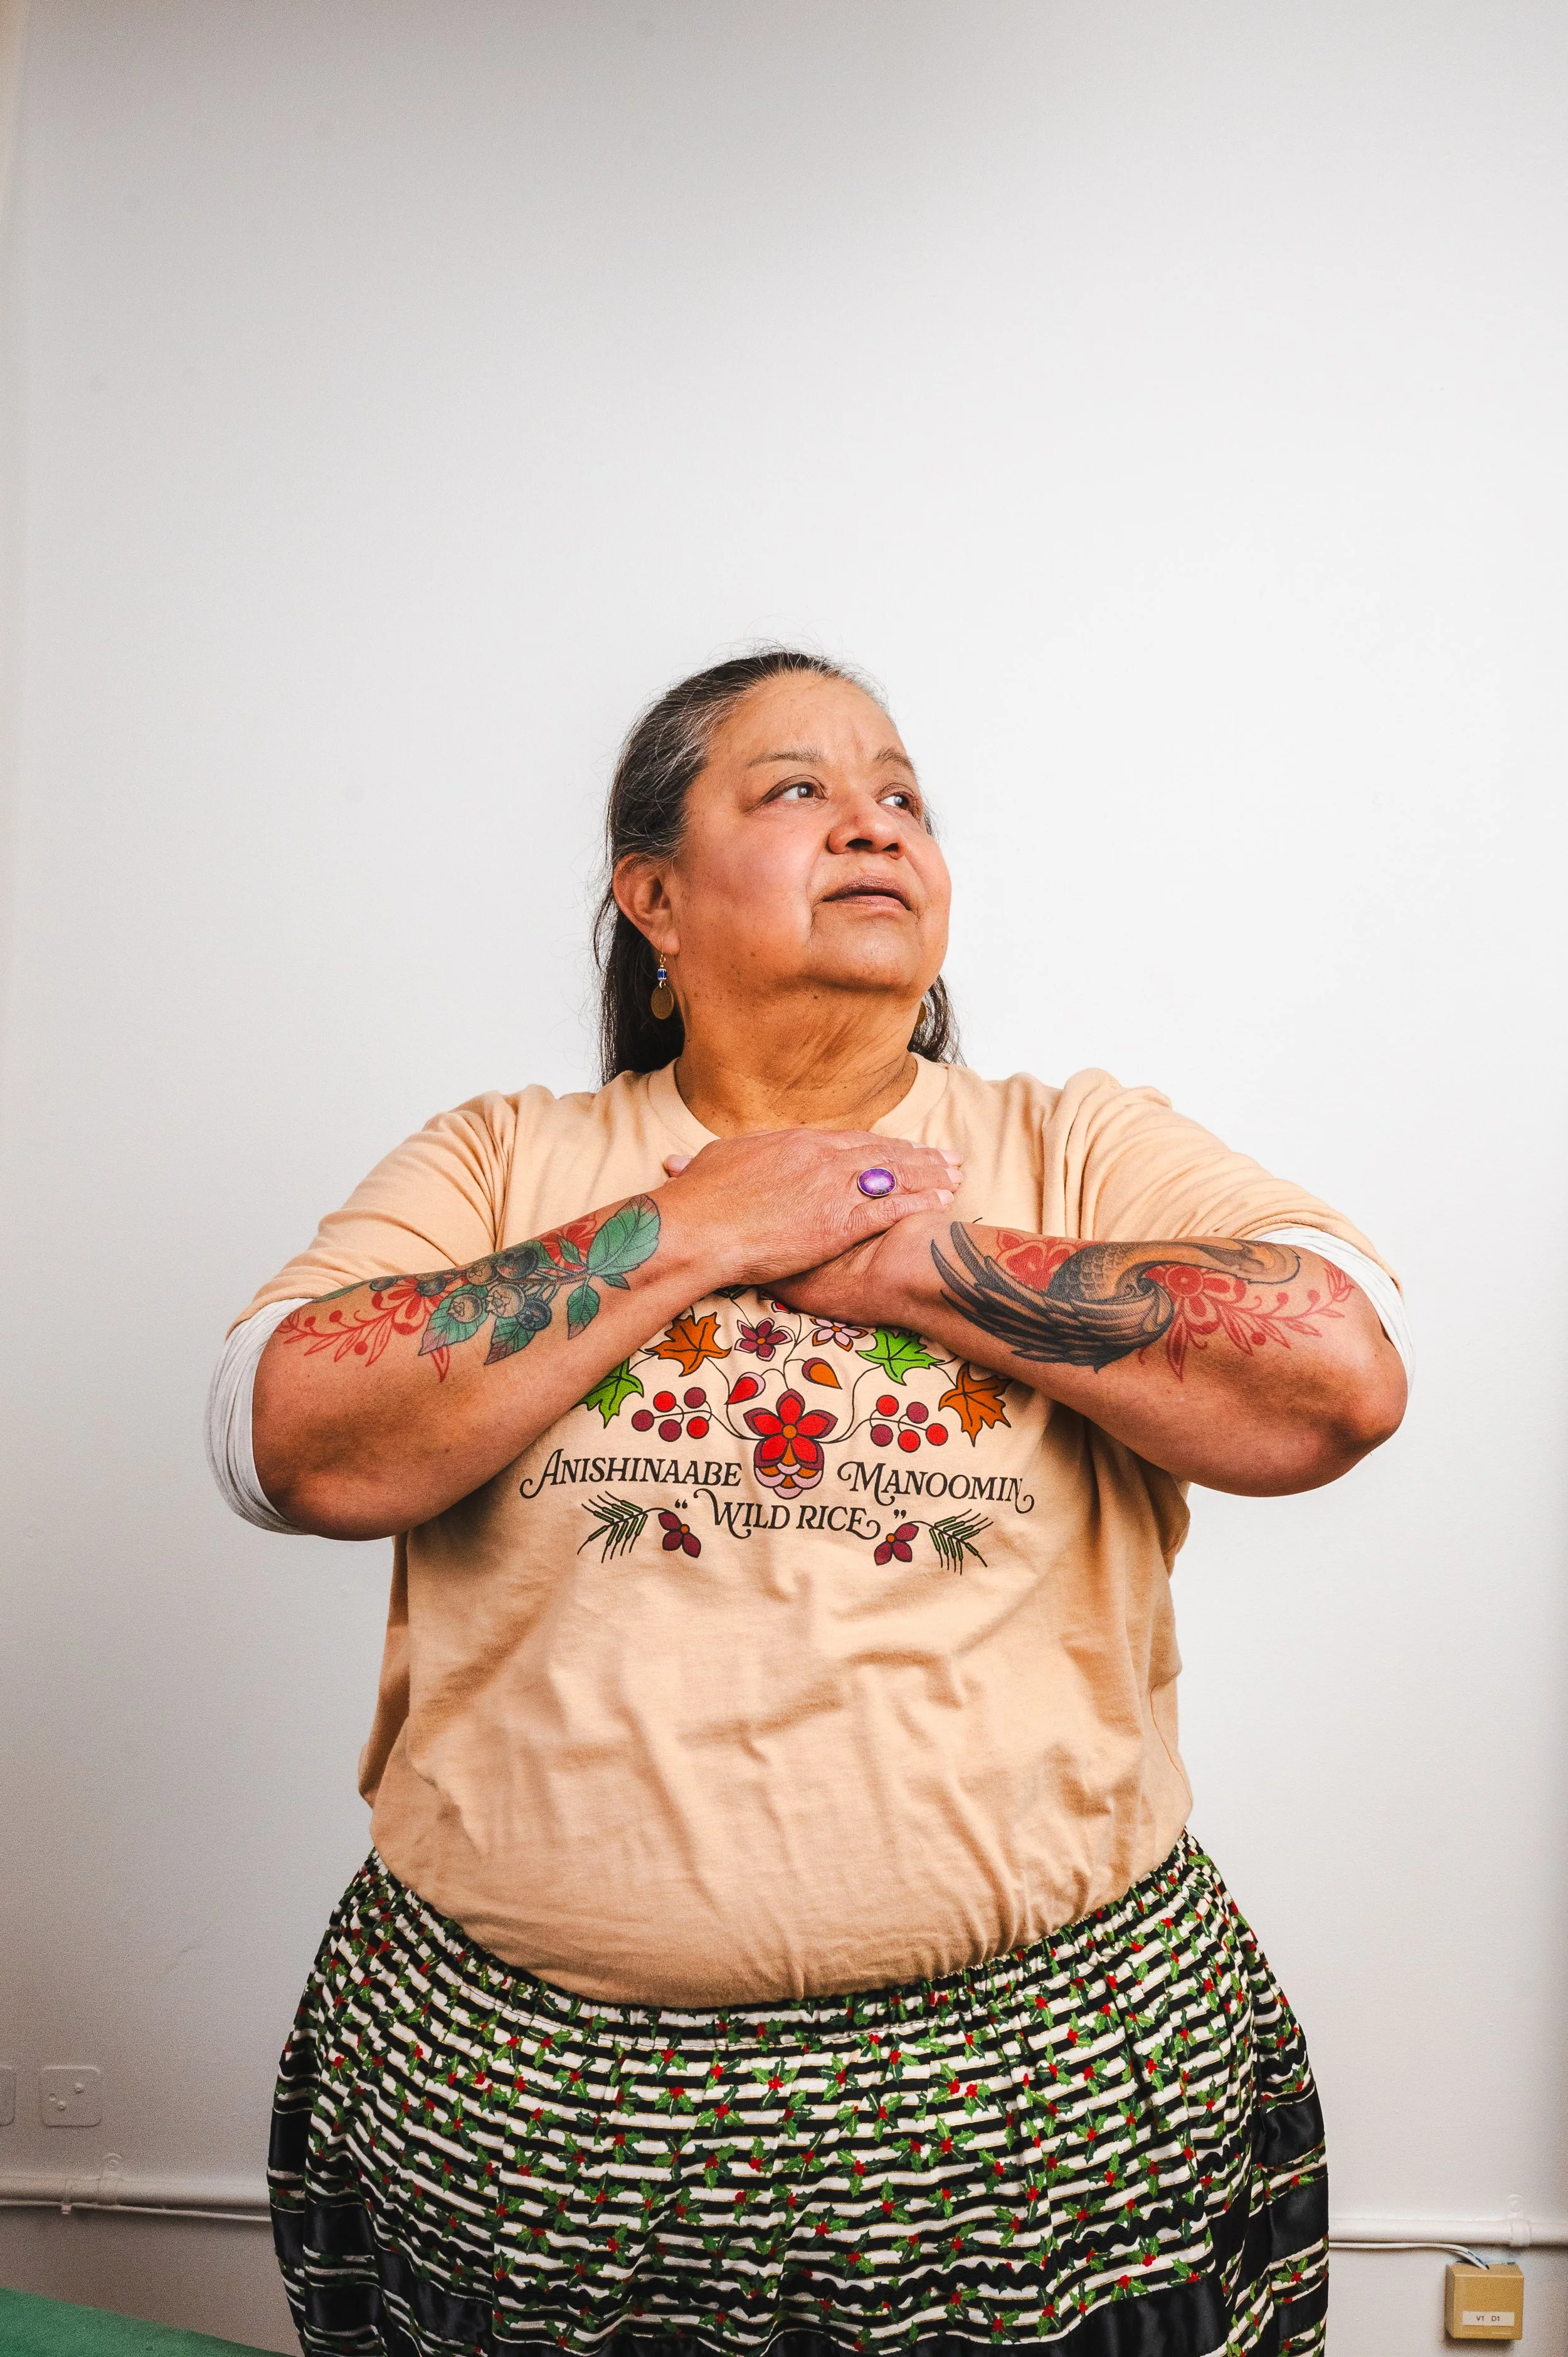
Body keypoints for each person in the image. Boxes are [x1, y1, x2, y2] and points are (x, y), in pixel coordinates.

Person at [208, 649, 1409, 2357]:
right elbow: (281, 1435)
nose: (876, 825)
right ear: (651, 897)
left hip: (1040, 2134)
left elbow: (1337, 1371)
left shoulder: (1070, 1142)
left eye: (903, 793)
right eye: (796, 789)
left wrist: (919, 1252)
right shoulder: (499, 1160)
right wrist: (694, 1228)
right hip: (528, 2140)